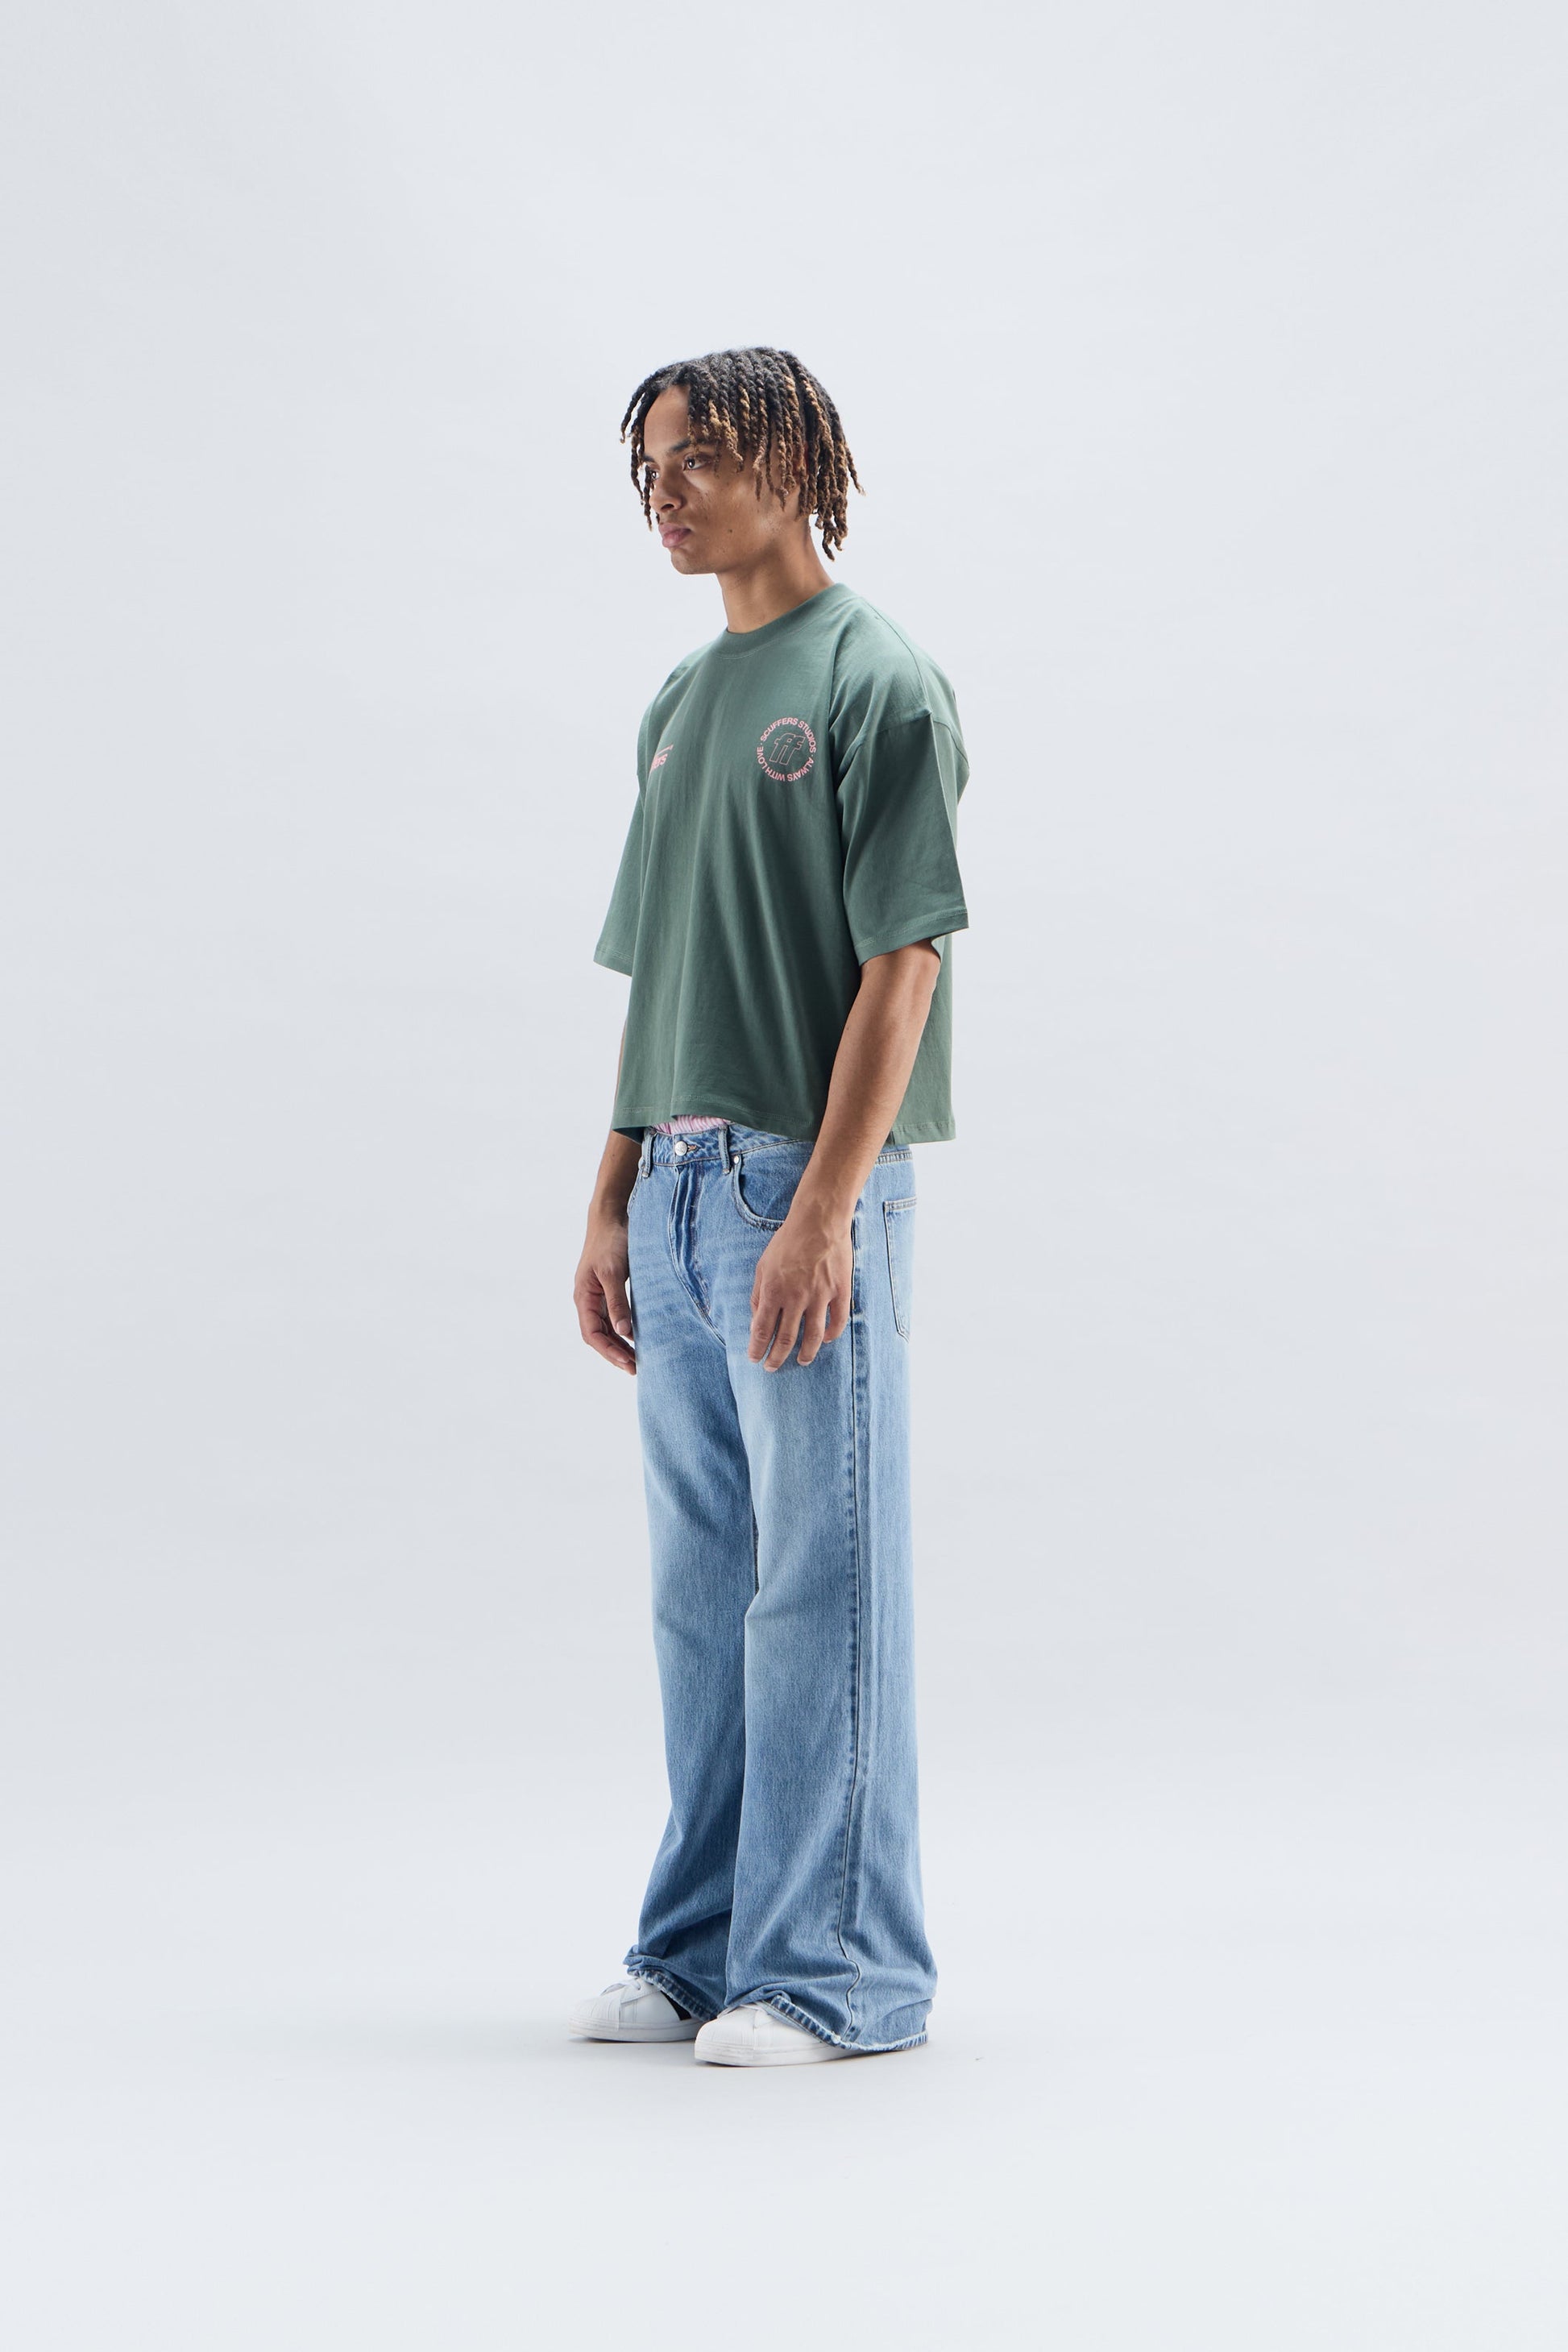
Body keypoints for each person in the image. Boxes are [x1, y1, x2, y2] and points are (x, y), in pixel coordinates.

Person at [570, 347, 969, 2067]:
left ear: (791, 466)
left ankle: (838, 1974)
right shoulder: (677, 702)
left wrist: (821, 1209)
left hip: (801, 1188)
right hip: (678, 1185)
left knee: (820, 1582)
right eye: (647, 467)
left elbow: (905, 967)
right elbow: (658, 968)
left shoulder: (880, 681)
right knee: (702, 1590)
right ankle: (703, 1942)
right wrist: (610, 1193)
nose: (663, 493)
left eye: (697, 460)